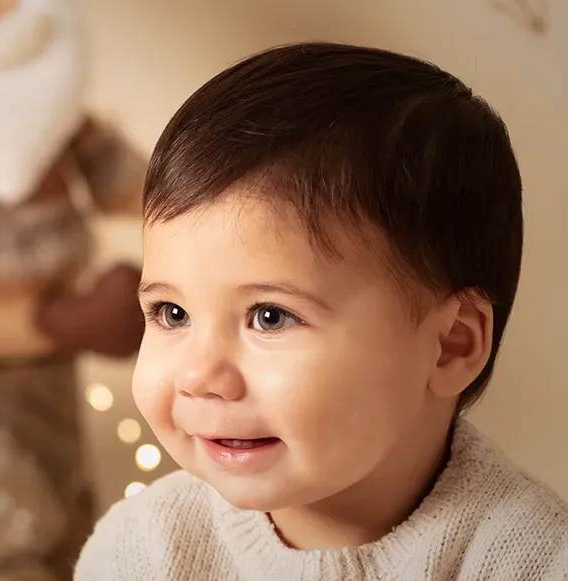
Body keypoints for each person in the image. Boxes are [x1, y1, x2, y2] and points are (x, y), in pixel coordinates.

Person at [73, 42, 568, 580]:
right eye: (172, 313)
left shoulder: (533, 560)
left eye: (270, 317)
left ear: (450, 345)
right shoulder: (143, 548)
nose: (198, 377)